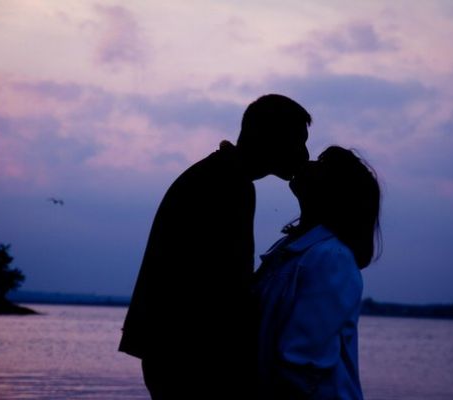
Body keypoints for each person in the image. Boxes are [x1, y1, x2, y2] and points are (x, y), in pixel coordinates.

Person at [119, 94, 312, 399]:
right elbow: (228, 288)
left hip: (171, 351)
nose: (304, 154)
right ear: (271, 138)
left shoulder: (219, 175)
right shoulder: (230, 185)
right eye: (298, 142)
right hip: (189, 358)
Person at [253, 146, 382, 400]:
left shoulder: (332, 258)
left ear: (335, 192)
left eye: (322, 164)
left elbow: (302, 365)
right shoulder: (292, 248)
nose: (307, 162)